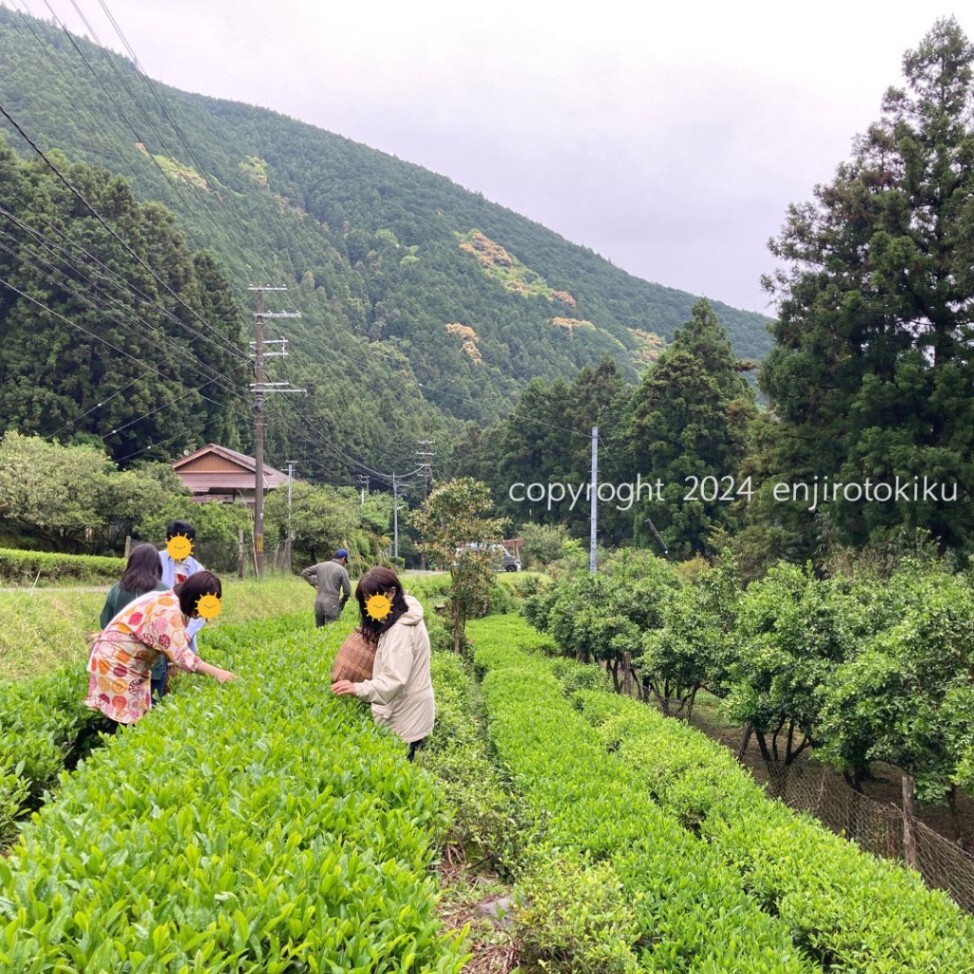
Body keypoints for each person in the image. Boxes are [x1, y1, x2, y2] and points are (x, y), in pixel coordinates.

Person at [86, 570, 236, 726]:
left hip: (129, 665)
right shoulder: (169, 611)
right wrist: (218, 673)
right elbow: (183, 657)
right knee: (126, 726)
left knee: (137, 722)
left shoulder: (171, 599)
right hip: (116, 664)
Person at [331, 566, 435, 760]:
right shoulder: (403, 611)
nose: (370, 604)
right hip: (411, 708)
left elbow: (394, 679)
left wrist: (357, 688)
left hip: (406, 715)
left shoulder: (400, 632)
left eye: (374, 597)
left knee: (401, 769)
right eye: (366, 600)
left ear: (391, 593)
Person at [156, 519, 206, 698]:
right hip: (156, 630)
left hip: (183, 633)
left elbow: (202, 610)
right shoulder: (157, 561)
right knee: (155, 675)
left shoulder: (197, 570)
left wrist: (187, 633)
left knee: (174, 682)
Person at [100, 542, 168, 630]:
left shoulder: (117, 589)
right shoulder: (165, 591)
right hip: (152, 642)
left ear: (131, 563)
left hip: (120, 640)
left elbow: (105, 623)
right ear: (157, 565)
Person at [302, 549, 352, 627]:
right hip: (332, 604)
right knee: (331, 632)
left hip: (318, 603)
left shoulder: (320, 565)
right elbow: (347, 592)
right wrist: (342, 602)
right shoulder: (342, 570)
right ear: (343, 559)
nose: (344, 563)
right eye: (345, 561)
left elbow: (304, 573)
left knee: (319, 632)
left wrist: (314, 583)